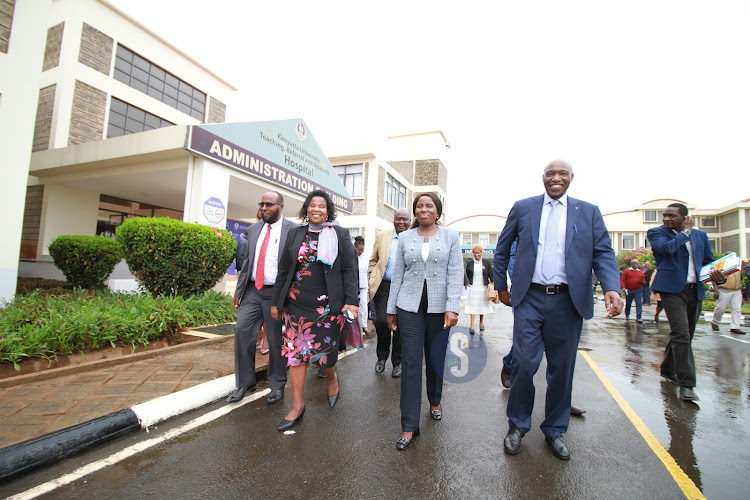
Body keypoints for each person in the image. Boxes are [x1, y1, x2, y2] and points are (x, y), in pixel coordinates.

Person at [493, 160, 623, 461]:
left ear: (571, 179)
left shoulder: (588, 211)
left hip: (567, 301)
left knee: (562, 368)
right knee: (525, 363)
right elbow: (502, 248)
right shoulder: (523, 208)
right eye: (550, 174)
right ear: (542, 179)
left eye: (562, 173)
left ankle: (554, 429)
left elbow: (603, 252)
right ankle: (518, 426)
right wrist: (501, 285)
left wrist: (612, 287)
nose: (556, 178)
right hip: (529, 298)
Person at [271, 190, 359, 431]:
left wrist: (352, 301)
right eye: (312, 205)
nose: (316, 209)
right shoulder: (295, 233)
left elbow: (350, 269)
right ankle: (297, 406)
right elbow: (284, 269)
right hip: (296, 304)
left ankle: (331, 376)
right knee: (295, 355)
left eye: (321, 206)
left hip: (327, 306)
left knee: (323, 357)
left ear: (328, 211)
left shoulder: (339, 234)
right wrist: (277, 303)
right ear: (306, 209)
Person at [387, 193, 462, 451]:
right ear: (415, 211)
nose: (424, 209)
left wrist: (453, 307)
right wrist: (391, 309)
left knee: (435, 358)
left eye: (429, 205)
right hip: (409, 305)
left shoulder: (451, 236)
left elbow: (455, 273)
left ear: (437, 211)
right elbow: (397, 275)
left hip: (439, 308)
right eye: (419, 206)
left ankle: (435, 400)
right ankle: (409, 426)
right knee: (410, 362)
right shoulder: (405, 238)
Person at [648, 203, 725, 402]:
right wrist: (686, 233)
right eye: (664, 216)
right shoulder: (657, 233)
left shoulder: (700, 236)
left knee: (686, 335)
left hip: (695, 290)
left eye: (672, 216)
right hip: (672, 290)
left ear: (684, 217)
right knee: (681, 334)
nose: (666, 219)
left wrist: (718, 276)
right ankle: (687, 384)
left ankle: (667, 367)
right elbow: (667, 249)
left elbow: (708, 262)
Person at [229, 192, 297, 404]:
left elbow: (296, 266)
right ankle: (245, 383)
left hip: (276, 292)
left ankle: (277, 384)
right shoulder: (255, 228)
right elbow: (248, 262)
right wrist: (239, 291)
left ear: (281, 206)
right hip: (252, 290)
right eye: (262, 204)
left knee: (276, 339)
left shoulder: (293, 230)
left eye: (269, 204)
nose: (265, 207)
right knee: (242, 331)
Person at [369, 208, 411, 377]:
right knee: (380, 321)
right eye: (398, 219)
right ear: (393, 219)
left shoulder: (415, 237)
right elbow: (374, 260)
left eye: (404, 219)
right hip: (383, 286)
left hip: (405, 287)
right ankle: (381, 357)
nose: (401, 222)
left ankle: (397, 361)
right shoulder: (382, 236)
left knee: (400, 324)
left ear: (409, 221)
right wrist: (373, 275)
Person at [464, 244, 494, 337]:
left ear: (481, 253)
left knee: (482, 305)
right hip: (473, 287)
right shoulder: (470, 263)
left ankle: (481, 322)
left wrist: (493, 281)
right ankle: (472, 325)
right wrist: (466, 283)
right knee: (472, 305)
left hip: (482, 286)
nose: (477, 255)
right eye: (475, 253)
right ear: (472, 253)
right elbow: (466, 274)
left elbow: (490, 273)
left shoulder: (487, 262)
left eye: (478, 253)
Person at [710, 265, 745, 334]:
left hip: (736, 290)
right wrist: (716, 290)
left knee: (737, 308)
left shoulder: (737, 265)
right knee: (721, 308)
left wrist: (742, 292)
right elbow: (713, 278)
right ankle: (715, 322)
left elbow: (740, 278)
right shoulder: (722, 265)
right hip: (724, 289)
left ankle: (735, 327)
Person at [354, 236, 370, 335]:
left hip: (363, 285)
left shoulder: (366, 257)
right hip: (352, 285)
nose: (360, 252)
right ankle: (354, 327)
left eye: (362, 250)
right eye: (359, 250)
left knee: (363, 305)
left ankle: (364, 325)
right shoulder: (350, 256)